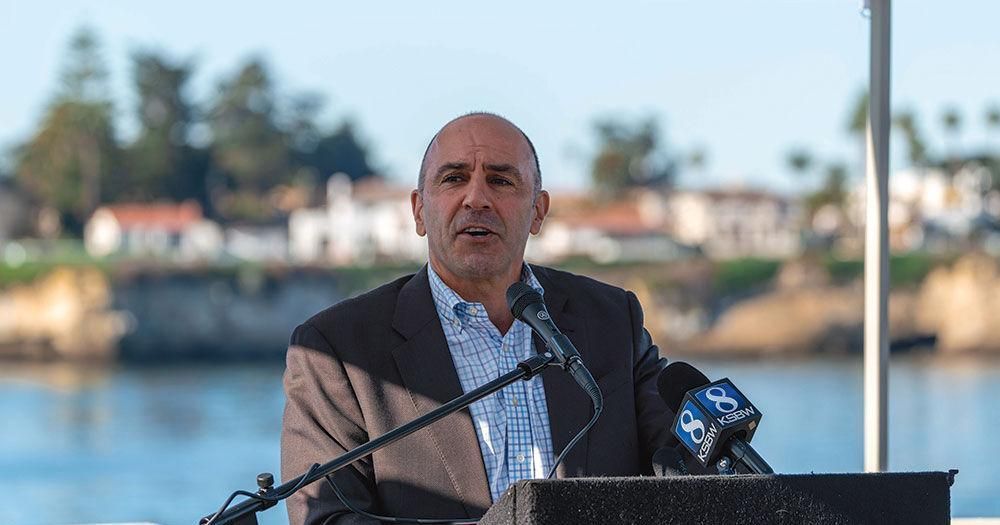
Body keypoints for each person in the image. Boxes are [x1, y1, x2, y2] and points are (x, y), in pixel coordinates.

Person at [281, 113, 676, 524]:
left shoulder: (612, 320)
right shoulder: (336, 350)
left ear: (538, 212)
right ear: (419, 211)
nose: (476, 199)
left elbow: (686, 467)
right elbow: (328, 519)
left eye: (501, 181)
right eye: (454, 178)